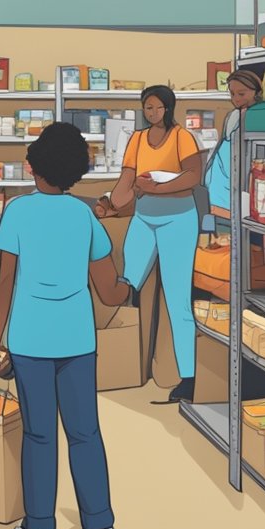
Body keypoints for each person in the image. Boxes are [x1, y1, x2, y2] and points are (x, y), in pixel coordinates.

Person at [0, 122, 131, 529]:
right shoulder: (84, 215)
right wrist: (131, 284)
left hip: (30, 340)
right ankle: (98, 519)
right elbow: (107, 290)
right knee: (85, 431)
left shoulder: (17, 212)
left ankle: (40, 523)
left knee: (38, 433)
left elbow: (5, 282)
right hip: (77, 341)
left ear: (33, 167)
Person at [99, 85, 203, 404]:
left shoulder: (181, 137)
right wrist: (112, 203)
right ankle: (124, 358)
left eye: (157, 108)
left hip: (178, 221)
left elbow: (192, 177)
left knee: (177, 299)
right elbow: (127, 179)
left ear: (168, 109)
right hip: (145, 219)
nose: (152, 113)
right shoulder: (137, 139)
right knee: (126, 283)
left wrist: (155, 189)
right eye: (147, 108)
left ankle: (188, 377)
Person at [204, 70, 263, 216]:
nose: (236, 98)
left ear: (257, 92)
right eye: (232, 94)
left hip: (236, 183)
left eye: (241, 94)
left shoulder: (259, 116)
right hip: (219, 182)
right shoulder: (233, 115)